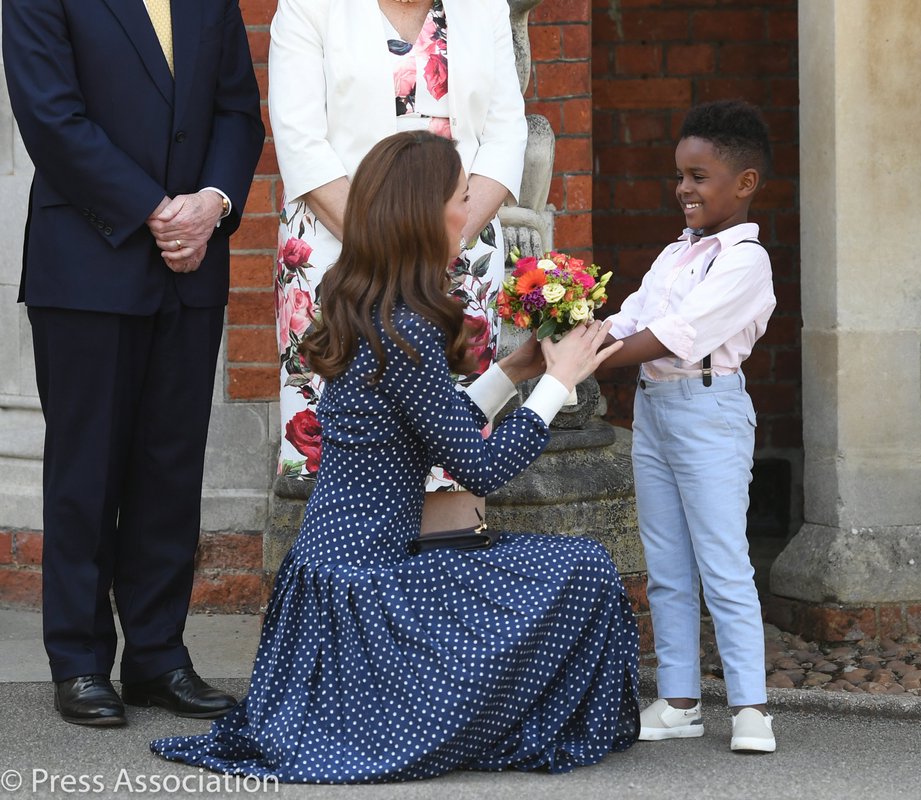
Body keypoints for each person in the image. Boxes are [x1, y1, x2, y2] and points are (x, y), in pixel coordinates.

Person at [149, 131, 640, 781]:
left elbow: (438, 429)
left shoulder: (374, 306)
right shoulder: (404, 327)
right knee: (582, 566)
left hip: (335, 579)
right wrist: (559, 382)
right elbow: (482, 468)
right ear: (425, 213)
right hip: (369, 590)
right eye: (462, 197)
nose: (472, 210)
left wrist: (519, 368)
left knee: (554, 565)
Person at [1, 1, 264, 725]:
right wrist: (155, 209)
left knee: (171, 468)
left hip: (193, 265)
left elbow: (239, 112)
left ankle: (157, 657)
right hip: (88, 262)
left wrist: (211, 203)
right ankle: (80, 662)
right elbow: (52, 119)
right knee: (87, 470)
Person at [269, 0, 526, 535]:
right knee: (343, 440)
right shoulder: (308, 7)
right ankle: (345, 599)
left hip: (461, 256)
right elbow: (299, 139)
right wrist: (391, 245)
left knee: (453, 448)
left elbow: (505, 137)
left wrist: (446, 241)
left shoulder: (485, 8)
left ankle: (444, 603)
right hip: (339, 255)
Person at [599, 100, 777, 753]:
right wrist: (576, 332)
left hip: (709, 410)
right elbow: (634, 316)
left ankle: (752, 708)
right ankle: (678, 701)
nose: (684, 189)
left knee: (723, 559)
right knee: (668, 562)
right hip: (655, 409)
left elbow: (678, 334)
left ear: (745, 183)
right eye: (681, 176)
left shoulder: (744, 260)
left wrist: (586, 360)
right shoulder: (677, 253)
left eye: (699, 176)